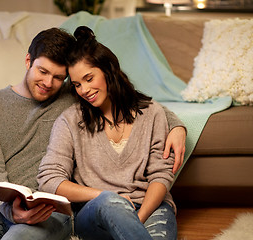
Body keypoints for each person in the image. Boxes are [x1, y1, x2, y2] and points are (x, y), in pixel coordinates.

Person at [0, 27, 184, 240]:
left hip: (50, 212)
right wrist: (12, 212)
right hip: (1, 208)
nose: (48, 83)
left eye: (59, 77)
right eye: (42, 72)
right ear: (27, 61)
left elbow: (129, 101)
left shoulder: (74, 94)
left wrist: (177, 126)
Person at [38, 26, 180, 240]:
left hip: (149, 208)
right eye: (76, 84)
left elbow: (161, 175)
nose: (84, 90)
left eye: (89, 78)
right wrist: (105, 196)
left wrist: (135, 221)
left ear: (109, 71)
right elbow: (49, 180)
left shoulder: (153, 113)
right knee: (110, 203)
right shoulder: (70, 121)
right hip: (95, 212)